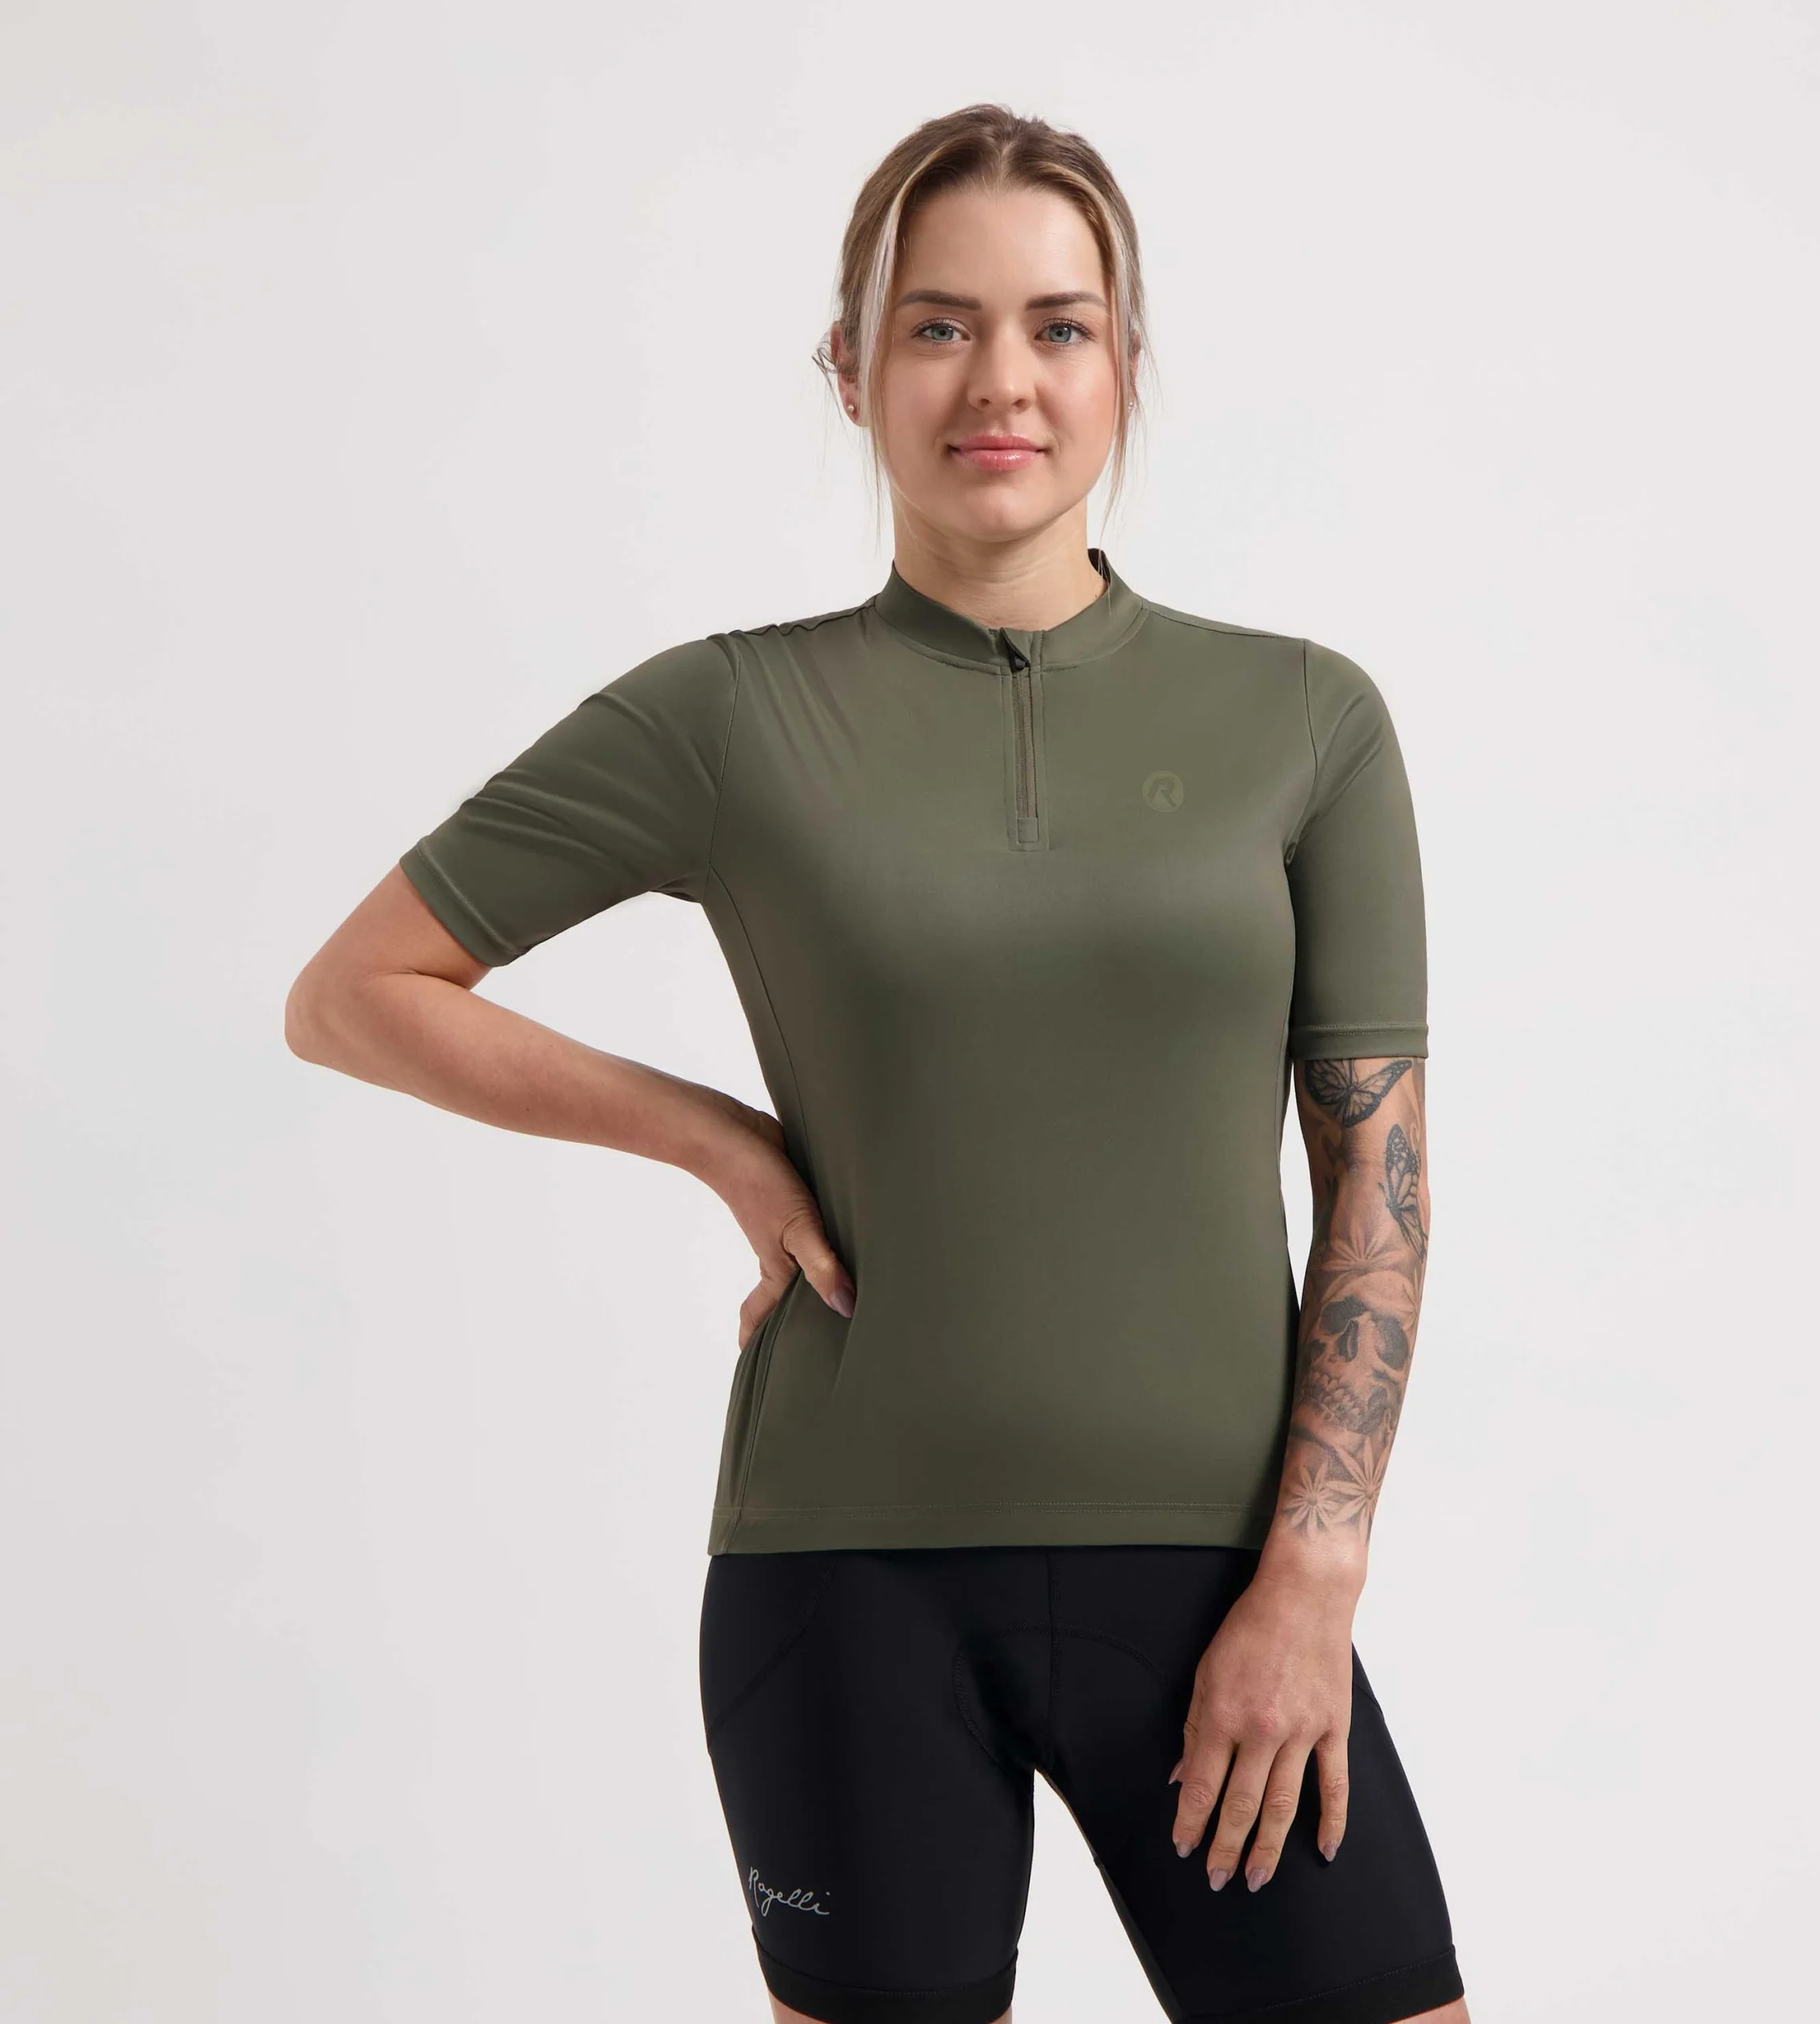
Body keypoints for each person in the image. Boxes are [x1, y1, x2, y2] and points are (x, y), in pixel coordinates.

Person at [285, 103, 1470, 2024]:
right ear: (847, 368)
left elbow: (1375, 1187)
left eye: (1056, 326)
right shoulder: (727, 715)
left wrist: (1312, 1577)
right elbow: (354, 991)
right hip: (844, 1581)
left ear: (1124, 363)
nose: (999, 379)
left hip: (1219, 1587)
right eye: (936, 325)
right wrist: (717, 1139)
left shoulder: (1303, 719)